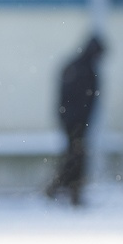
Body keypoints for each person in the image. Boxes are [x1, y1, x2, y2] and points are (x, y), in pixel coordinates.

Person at [46, 34, 106, 206]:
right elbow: (80, 99)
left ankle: (64, 188)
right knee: (76, 156)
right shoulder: (83, 69)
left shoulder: (75, 66)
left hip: (75, 121)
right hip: (76, 122)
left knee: (73, 155)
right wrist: (76, 120)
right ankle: (67, 189)